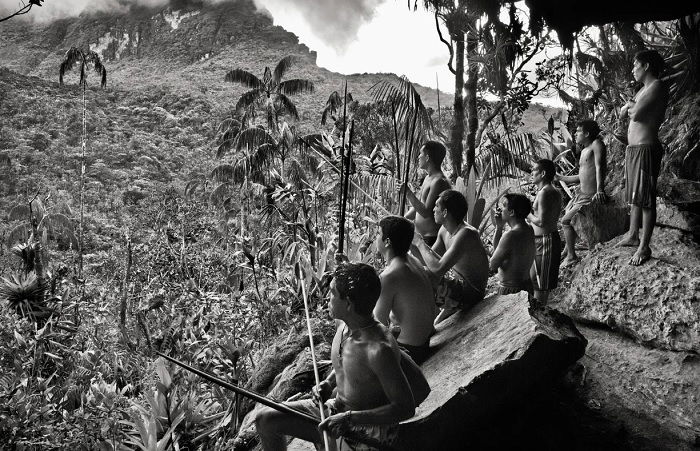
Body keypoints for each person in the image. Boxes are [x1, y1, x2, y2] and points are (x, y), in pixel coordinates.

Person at [255, 263, 416, 451]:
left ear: (348, 303)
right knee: (265, 419)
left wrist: (349, 418)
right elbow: (346, 364)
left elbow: (405, 407)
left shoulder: (379, 350)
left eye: (332, 294)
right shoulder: (345, 324)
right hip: (334, 411)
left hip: (363, 431)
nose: (326, 298)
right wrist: (329, 383)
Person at [616, 49, 669, 265]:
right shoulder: (642, 90)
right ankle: (632, 234)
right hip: (634, 149)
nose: (632, 69)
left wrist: (628, 106)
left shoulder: (657, 86)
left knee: (646, 199)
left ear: (646, 66)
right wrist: (630, 106)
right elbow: (630, 111)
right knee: (636, 195)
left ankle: (644, 246)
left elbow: (635, 114)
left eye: (635, 65)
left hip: (646, 148)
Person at [412, 190, 489, 324]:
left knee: (423, 275)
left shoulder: (466, 234)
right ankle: (439, 315)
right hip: (458, 286)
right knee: (416, 269)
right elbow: (428, 260)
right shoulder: (444, 230)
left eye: (436, 206)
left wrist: (419, 243)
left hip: (471, 293)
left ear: (445, 212)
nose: (433, 210)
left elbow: (438, 269)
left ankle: (421, 325)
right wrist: (411, 243)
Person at [373, 216, 436, 365]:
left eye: (378, 233)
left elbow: (377, 325)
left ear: (387, 242)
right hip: (424, 341)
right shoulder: (413, 261)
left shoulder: (389, 276)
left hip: (410, 351)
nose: (375, 237)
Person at [557, 119, 608, 266]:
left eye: (578, 131)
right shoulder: (584, 150)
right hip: (581, 194)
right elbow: (581, 176)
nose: (574, 134)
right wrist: (560, 177)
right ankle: (567, 250)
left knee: (565, 220)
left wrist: (599, 190)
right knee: (567, 213)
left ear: (586, 133)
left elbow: (599, 167)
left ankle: (572, 256)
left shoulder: (596, 144)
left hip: (590, 195)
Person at [402, 141, 452, 246]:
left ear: (428, 157)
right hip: (421, 237)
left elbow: (426, 212)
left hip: (432, 238)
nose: (418, 157)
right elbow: (419, 204)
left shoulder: (439, 181)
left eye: (421, 153)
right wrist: (403, 218)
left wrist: (408, 193)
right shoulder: (428, 178)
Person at [527, 159, 563, 306]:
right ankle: (537, 316)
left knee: (541, 285)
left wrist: (527, 214)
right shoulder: (552, 191)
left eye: (534, 170)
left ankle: (540, 319)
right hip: (543, 240)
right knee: (536, 281)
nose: (531, 172)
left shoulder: (545, 193)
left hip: (545, 240)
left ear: (542, 173)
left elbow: (542, 221)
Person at [490, 193, 536, 295]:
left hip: (511, 290)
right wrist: (499, 228)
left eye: (504, 205)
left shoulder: (510, 235)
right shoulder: (529, 228)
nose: (500, 209)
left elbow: (493, 264)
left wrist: (499, 229)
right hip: (527, 286)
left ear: (511, 212)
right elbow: (502, 252)